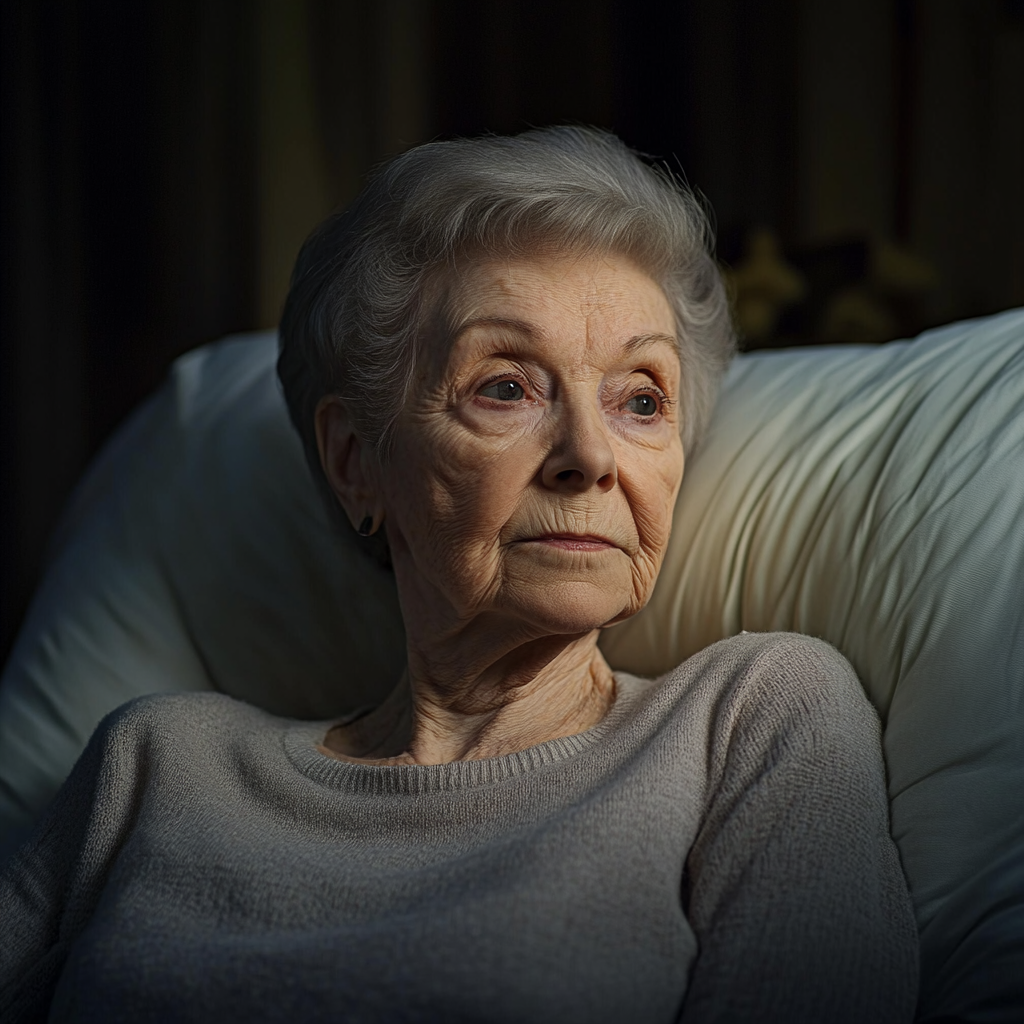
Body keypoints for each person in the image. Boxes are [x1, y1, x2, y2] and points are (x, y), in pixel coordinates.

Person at [0, 127, 918, 1022]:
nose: (590, 456)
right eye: (507, 387)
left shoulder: (749, 723)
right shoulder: (157, 766)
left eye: (642, 398)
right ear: (357, 461)